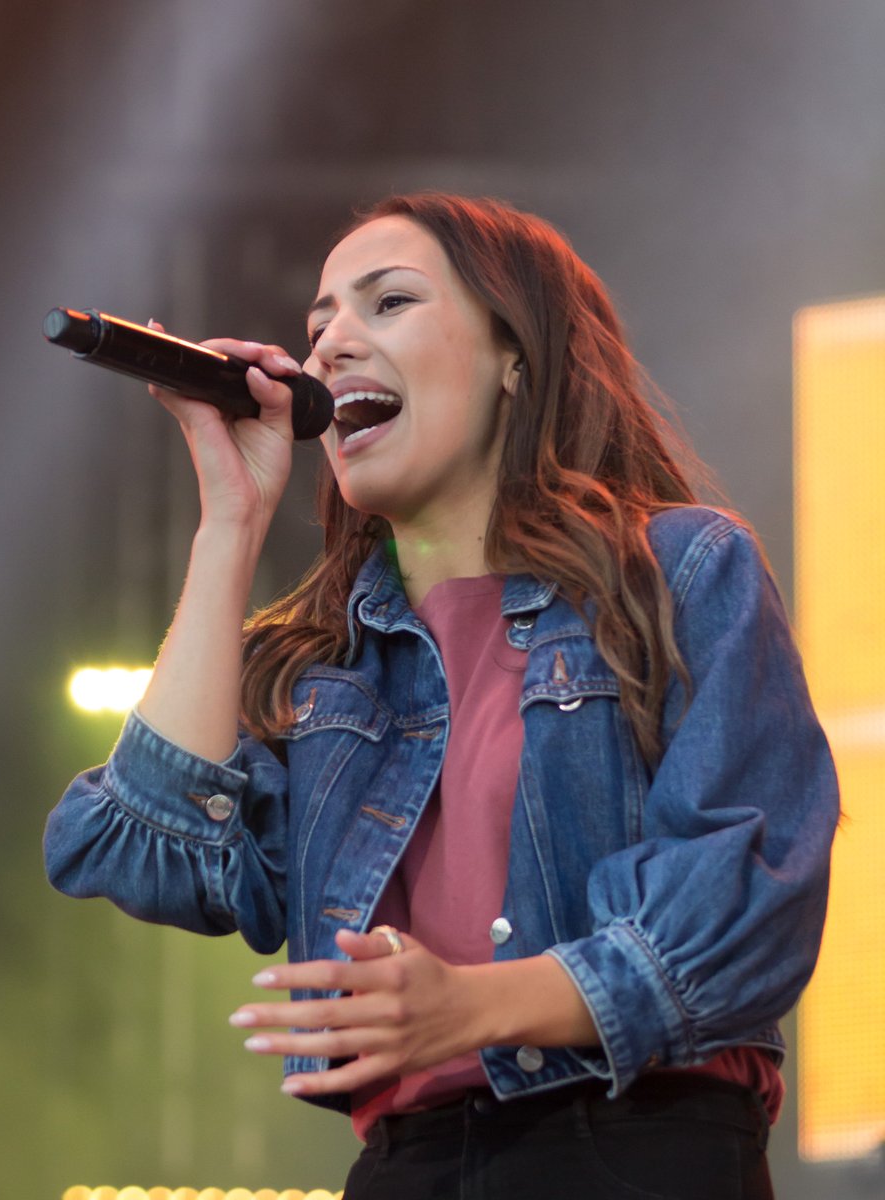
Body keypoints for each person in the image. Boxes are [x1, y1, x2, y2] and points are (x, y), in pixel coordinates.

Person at [44, 193, 838, 1198]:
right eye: (320, 322)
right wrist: (231, 520)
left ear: (516, 357)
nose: (332, 343)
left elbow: (747, 905)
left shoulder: (676, 572)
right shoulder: (332, 668)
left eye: (389, 303)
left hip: (634, 1142)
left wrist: (473, 1006)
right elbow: (138, 847)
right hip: (409, 1163)